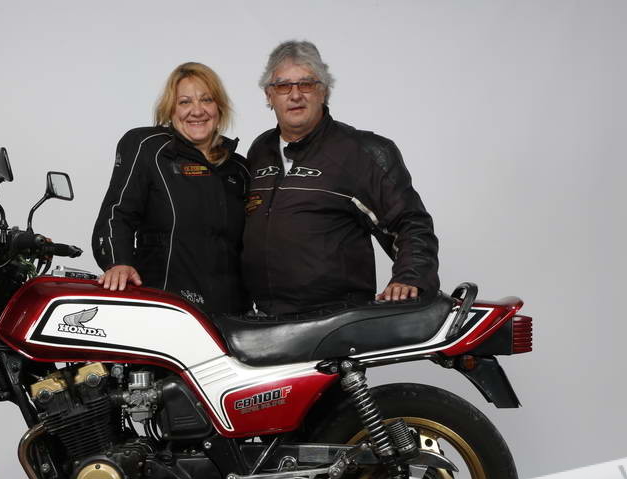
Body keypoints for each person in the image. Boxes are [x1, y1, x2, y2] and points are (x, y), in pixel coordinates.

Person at [242, 41, 440, 316]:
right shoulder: (260, 151)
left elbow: (411, 224)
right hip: (266, 320)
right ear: (269, 95)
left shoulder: (361, 152)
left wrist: (410, 277)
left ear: (324, 90)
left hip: (337, 322)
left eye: (306, 84)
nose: (295, 95)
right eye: (283, 86)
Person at [92, 62, 249, 315]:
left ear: (219, 107)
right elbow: (117, 213)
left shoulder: (240, 169)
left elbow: (253, 243)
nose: (197, 111)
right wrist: (118, 262)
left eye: (206, 100)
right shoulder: (148, 148)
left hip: (231, 315)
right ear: (170, 109)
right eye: (185, 102)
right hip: (165, 307)